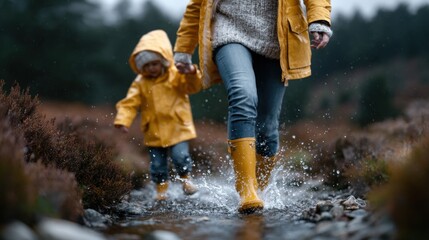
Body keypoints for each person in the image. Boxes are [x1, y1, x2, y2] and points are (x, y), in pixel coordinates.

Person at [174, 0, 332, 213]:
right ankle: (247, 189)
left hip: (277, 37)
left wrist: (320, 18)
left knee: (267, 127)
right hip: (229, 30)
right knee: (242, 95)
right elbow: (197, 5)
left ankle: (260, 188)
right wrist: (183, 48)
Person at [114, 29, 202, 201]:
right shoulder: (140, 83)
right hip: (153, 131)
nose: (151, 68)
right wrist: (123, 120)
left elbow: (192, 87)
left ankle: (186, 180)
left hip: (178, 127)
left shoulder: (175, 75)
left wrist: (191, 73)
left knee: (180, 157)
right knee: (157, 164)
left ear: (162, 61)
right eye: (146, 66)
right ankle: (161, 190)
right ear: (140, 67)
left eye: (154, 64)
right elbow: (130, 103)